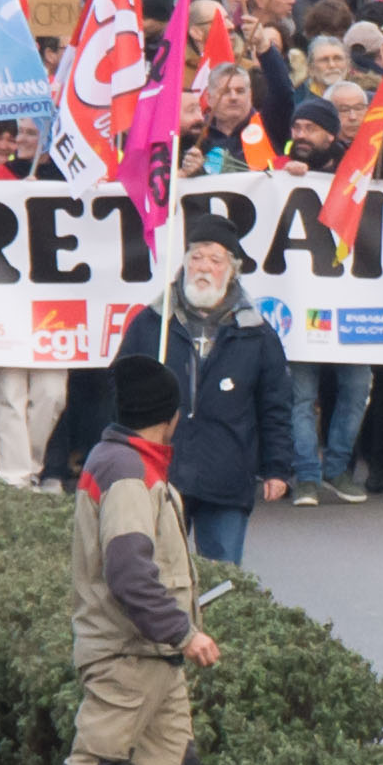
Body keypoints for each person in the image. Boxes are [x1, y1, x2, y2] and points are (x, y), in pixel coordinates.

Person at [0, 357, 215, 765]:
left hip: (152, 666)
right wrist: (184, 632)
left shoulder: (116, 459)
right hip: (133, 662)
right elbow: (129, 572)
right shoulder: (130, 473)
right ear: (169, 416)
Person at [115, 222, 292, 563]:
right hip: (160, 474)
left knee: (223, 582)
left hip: (227, 476)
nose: (205, 268)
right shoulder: (153, 323)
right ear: (184, 264)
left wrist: (277, 468)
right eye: (197, 258)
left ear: (232, 270)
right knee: (160, 578)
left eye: (216, 260)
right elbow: (119, 391)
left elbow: (275, 405)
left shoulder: (256, 334)